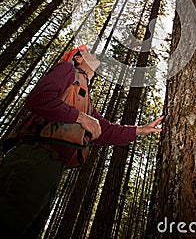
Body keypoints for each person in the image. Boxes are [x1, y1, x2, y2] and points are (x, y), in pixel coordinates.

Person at [0, 45, 163, 238]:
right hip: (34, 157)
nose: (96, 56)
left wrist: (140, 130)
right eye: (89, 53)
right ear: (78, 58)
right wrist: (81, 118)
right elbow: (39, 99)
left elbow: (105, 131)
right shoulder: (67, 69)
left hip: (52, 167)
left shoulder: (85, 97)